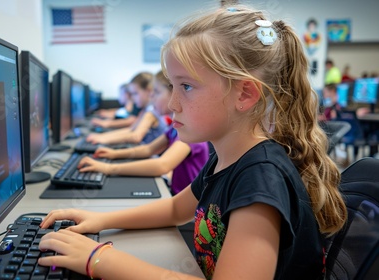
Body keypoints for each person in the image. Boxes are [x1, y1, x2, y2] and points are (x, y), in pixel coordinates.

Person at [38, 5, 347, 279]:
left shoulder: (260, 181)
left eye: (185, 86)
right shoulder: (226, 154)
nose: (172, 103)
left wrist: (99, 259)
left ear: (244, 94)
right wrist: (100, 219)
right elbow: (175, 209)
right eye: (172, 86)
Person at [78, 70, 210, 195]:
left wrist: (108, 168)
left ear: (175, 94)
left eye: (157, 92)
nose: (151, 96)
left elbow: (162, 165)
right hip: (176, 198)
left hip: (189, 212)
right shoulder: (175, 128)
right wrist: (114, 154)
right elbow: (148, 149)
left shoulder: (191, 132)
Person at [86, 71, 169, 145]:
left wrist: (104, 139)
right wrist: (102, 136)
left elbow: (136, 136)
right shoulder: (145, 110)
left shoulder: (151, 112)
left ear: (148, 91)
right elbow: (131, 129)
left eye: (135, 93)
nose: (132, 98)